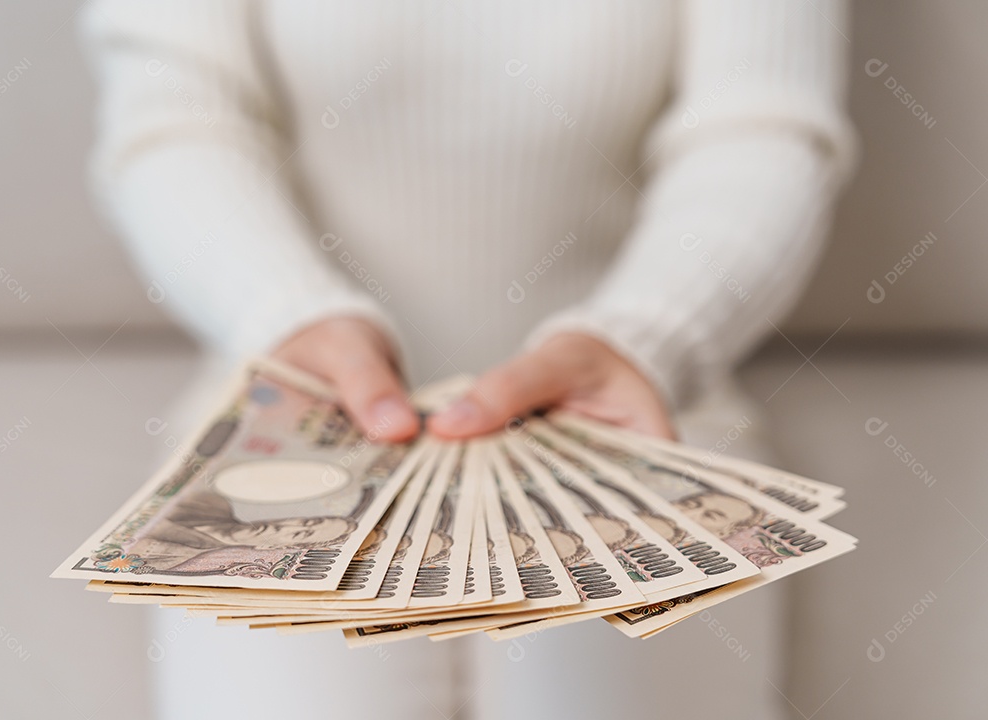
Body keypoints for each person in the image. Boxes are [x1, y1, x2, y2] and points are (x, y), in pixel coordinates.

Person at [80, 1, 854, 718]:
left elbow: (759, 126)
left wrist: (642, 337)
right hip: (287, 406)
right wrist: (289, 316)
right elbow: (176, 120)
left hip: (644, 408)